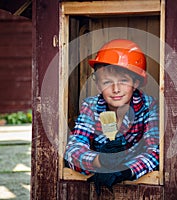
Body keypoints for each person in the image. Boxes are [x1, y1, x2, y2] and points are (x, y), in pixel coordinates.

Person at [64, 39, 159, 195]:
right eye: (107, 82)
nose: (116, 89)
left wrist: (124, 172)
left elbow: (155, 151)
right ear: (98, 85)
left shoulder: (148, 108)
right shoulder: (91, 106)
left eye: (123, 81)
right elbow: (73, 149)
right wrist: (99, 161)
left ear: (135, 83)